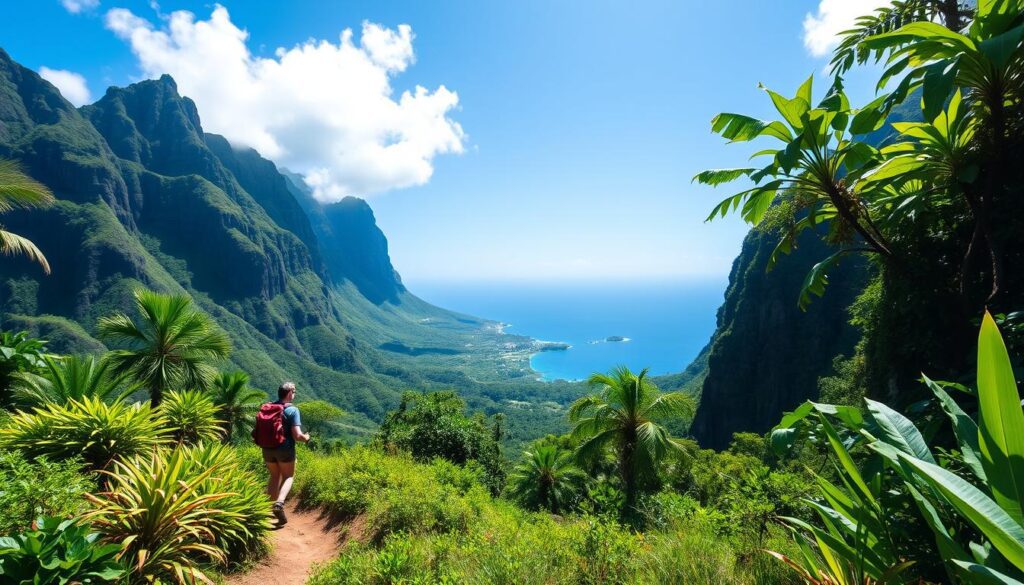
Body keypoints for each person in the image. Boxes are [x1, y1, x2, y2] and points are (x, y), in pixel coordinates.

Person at [263, 382, 310, 525]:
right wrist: (306, 437)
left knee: (274, 475)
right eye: (294, 392)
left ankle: (267, 510)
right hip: (285, 449)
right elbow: (297, 435)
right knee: (289, 476)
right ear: (289, 393)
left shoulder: (268, 407)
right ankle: (279, 503)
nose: (295, 394)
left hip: (267, 448)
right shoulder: (292, 410)